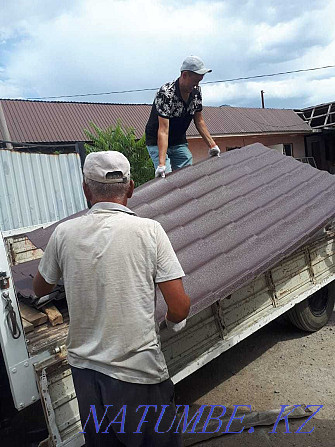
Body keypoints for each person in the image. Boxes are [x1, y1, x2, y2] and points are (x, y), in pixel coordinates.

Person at [33, 151, 190, 446]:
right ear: (130, 188)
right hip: (139, 375)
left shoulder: (63, 234)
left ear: (85, 190)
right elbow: (180, 306)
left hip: (86, 376)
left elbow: (41, 288)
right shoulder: (149, 231)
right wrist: (171, 324)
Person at [145, 55, 220, 178]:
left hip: (178, 140)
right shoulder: (166, 93)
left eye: (199, 82)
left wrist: (213, 146)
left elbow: (199, 121)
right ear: (185, 75)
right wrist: (162, 164)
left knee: (186, 173)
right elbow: (163, 130)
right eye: (195, 81)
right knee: (167, 176)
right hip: (157, 140)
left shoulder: (196, 93)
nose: (196, 85)